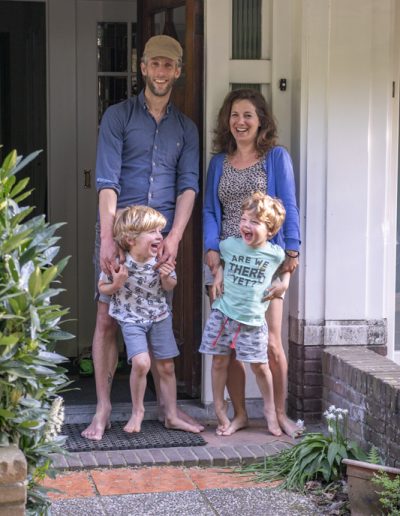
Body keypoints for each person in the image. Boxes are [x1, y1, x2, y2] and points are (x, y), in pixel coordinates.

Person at [82, 34, 203, 440]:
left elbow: (188, 187)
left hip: (161, 238)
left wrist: (175, 239)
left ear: (179, 72)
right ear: (143, 67)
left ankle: (169, 410)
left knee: (157, 316)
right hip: (118, 232)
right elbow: (106, 182)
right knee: (106, 320)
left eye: (169, 65)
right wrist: (107, 238)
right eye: (155, 64)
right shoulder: (117, 117)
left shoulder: (186, 128)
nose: (161, 72)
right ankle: (101, 409)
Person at [203, 88, 301, 437]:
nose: (240, 122)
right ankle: (241, 413)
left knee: (271, 343)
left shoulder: (276, 157)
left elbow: (289, 206)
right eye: (234, 115)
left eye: (247, 115)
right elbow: (210, 211)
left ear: (261, 120)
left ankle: (279, 414)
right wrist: (211, 254)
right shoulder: (218, 162)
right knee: (227, 346)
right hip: (226, 267)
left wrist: (291, 257)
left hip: (264, 266)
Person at [98, 205, 200, 433]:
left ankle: (172, 415)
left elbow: (170, 284)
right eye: (152, 232)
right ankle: (138, 411)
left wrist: (166, 278)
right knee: (142, 363)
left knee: (166, 366)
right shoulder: (118, 262)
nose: (159, 237)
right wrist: (116, 284)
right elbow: (102, 287)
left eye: (160, 231)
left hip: (159, 317)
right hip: (131, 319)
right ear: (130, 239)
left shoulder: (159, 260)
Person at [200, 192, 290, 436]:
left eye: (255, 222)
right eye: (244, 219)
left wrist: (285, 282)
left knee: (260, 366)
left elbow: (287, 268)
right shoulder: (229, 245)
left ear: (270, 230)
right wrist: (218, 271)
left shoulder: (275, 254)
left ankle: (270, 411)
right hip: (223, 315)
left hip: (251, 320)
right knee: (219, 361)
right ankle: (220, 408)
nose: (246, 226)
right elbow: (219, 261)